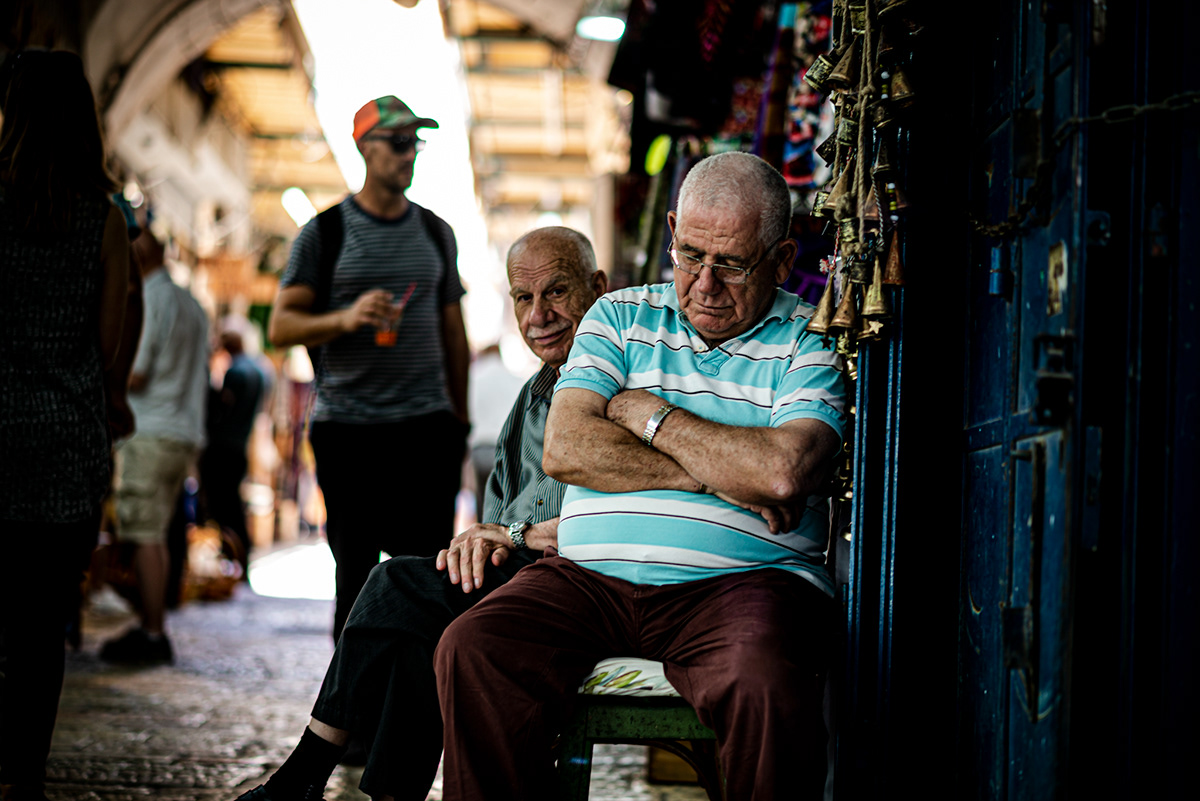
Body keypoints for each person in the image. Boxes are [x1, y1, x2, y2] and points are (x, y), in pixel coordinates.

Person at [434, 153, 849, 801]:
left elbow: (781, 471)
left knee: (762, 676)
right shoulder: (620, 316)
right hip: (587, 579)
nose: (705, 283)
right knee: (473, 647)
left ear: (780, 256)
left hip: (742, 586)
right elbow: (567, 447)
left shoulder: (809, 339)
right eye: (689, 255)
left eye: (732, 263)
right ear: (673, 232)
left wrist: (645, 413)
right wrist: (718, 477)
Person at [236, 227, 607, 801]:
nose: (540, 315)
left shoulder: (618, 381)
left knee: (392, 582)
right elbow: (497, 514)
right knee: (418, 628)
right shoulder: (532, 395)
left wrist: (505, 536)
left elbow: (592, 519)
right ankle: (381, 796)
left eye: (557, 292)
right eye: (523, 299)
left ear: (598, 288)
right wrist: (481, 544)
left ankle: (304, 773)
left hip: (574, 583)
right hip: (524, 570)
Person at [268, 95, 471, 641]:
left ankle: (416, 705)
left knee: (428, 577)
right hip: (349, 432)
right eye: (399, 142)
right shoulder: (325, 233)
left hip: (426, 430)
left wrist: (459, 417)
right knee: (353, 576)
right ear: (364, 146)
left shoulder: (436, 232)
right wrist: (346, 317)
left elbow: (453, 328)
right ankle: (348, 712)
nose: (410, 155)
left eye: (416, 143)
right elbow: (282, 327)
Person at [0, 49, 131, 801]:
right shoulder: (102, 220)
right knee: (41, 628)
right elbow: (110, 346)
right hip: (67, 445)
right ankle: (23, 778)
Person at [100, 227, 210, 664]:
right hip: (182, 431)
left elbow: (138, 372)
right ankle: (154, 623)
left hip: (151, 428)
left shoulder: (152, 298)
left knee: (145, 533)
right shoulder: (191, 303)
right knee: (159, 533)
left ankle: (152, 631)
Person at [202, 329, 266, 577]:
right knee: (233, 506)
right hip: (239, 447)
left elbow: (220, 411)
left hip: (223, 449)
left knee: (224, 508)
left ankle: (233, 561)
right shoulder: (258, 370)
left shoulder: (236, 372)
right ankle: (240, 560)